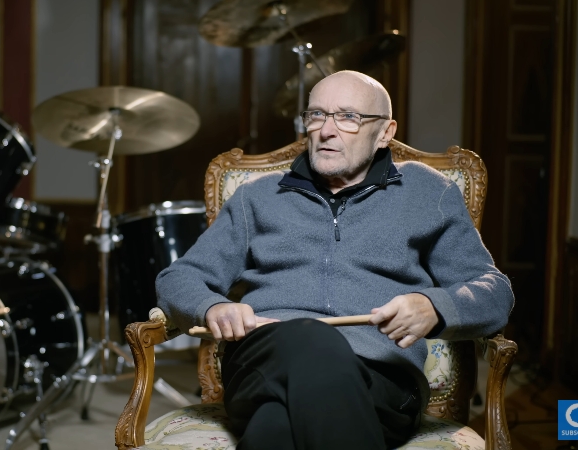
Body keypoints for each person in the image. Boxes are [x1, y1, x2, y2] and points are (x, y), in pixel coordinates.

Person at [155, 70, 514, 449]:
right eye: (316, 115)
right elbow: (177, 279)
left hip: (383, 382)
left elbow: (495, 294)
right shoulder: (255, 197)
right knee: (310, 337)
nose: (327, 130)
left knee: (273, 430)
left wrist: (434, 306)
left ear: (385, 132)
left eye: (348, 117)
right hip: (262, 362)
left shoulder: (428, 192)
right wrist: (212, 307)